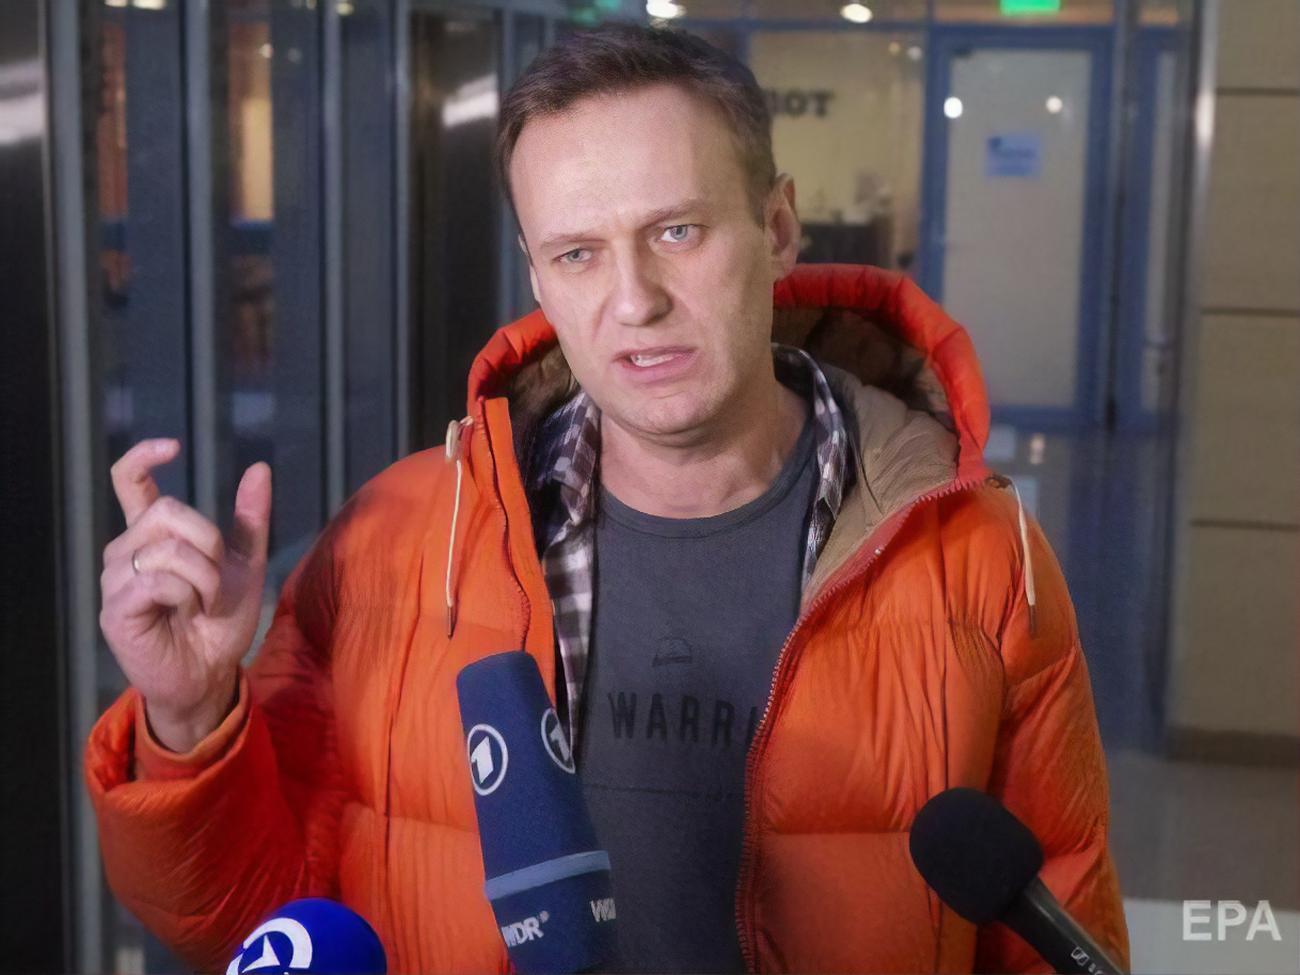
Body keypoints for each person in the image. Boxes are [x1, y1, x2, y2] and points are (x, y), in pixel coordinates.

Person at [86, 23, 1130, 975]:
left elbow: (1056, 931)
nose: (632, 301)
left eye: (676, 232)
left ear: (777, 227)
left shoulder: (978, 556)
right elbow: (242, 918)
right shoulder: (393, 544)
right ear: (539, 279)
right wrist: (188, 715)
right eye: (578, 253)